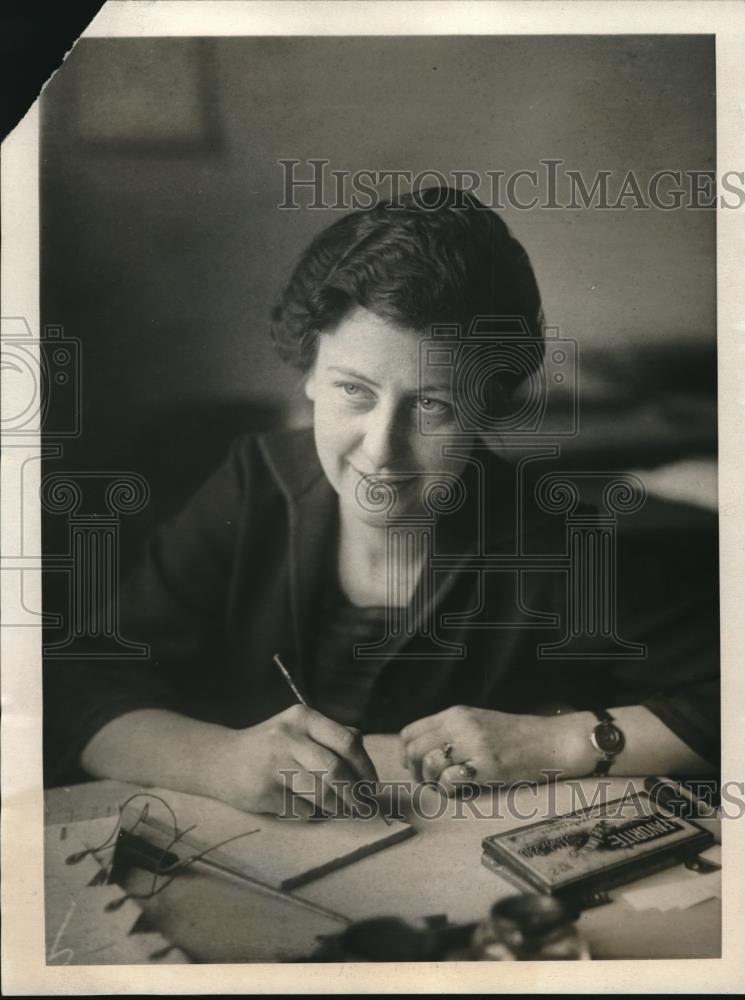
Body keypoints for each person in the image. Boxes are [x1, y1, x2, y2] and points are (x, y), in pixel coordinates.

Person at [44, 188, 719, 817]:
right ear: (307, 374)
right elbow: (74, 685)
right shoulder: (254, 484)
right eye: (353, 391)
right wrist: (217, 760)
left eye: (430, 405)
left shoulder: (559, 535)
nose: (379, 450)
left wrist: (564, 744)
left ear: (486, 408)